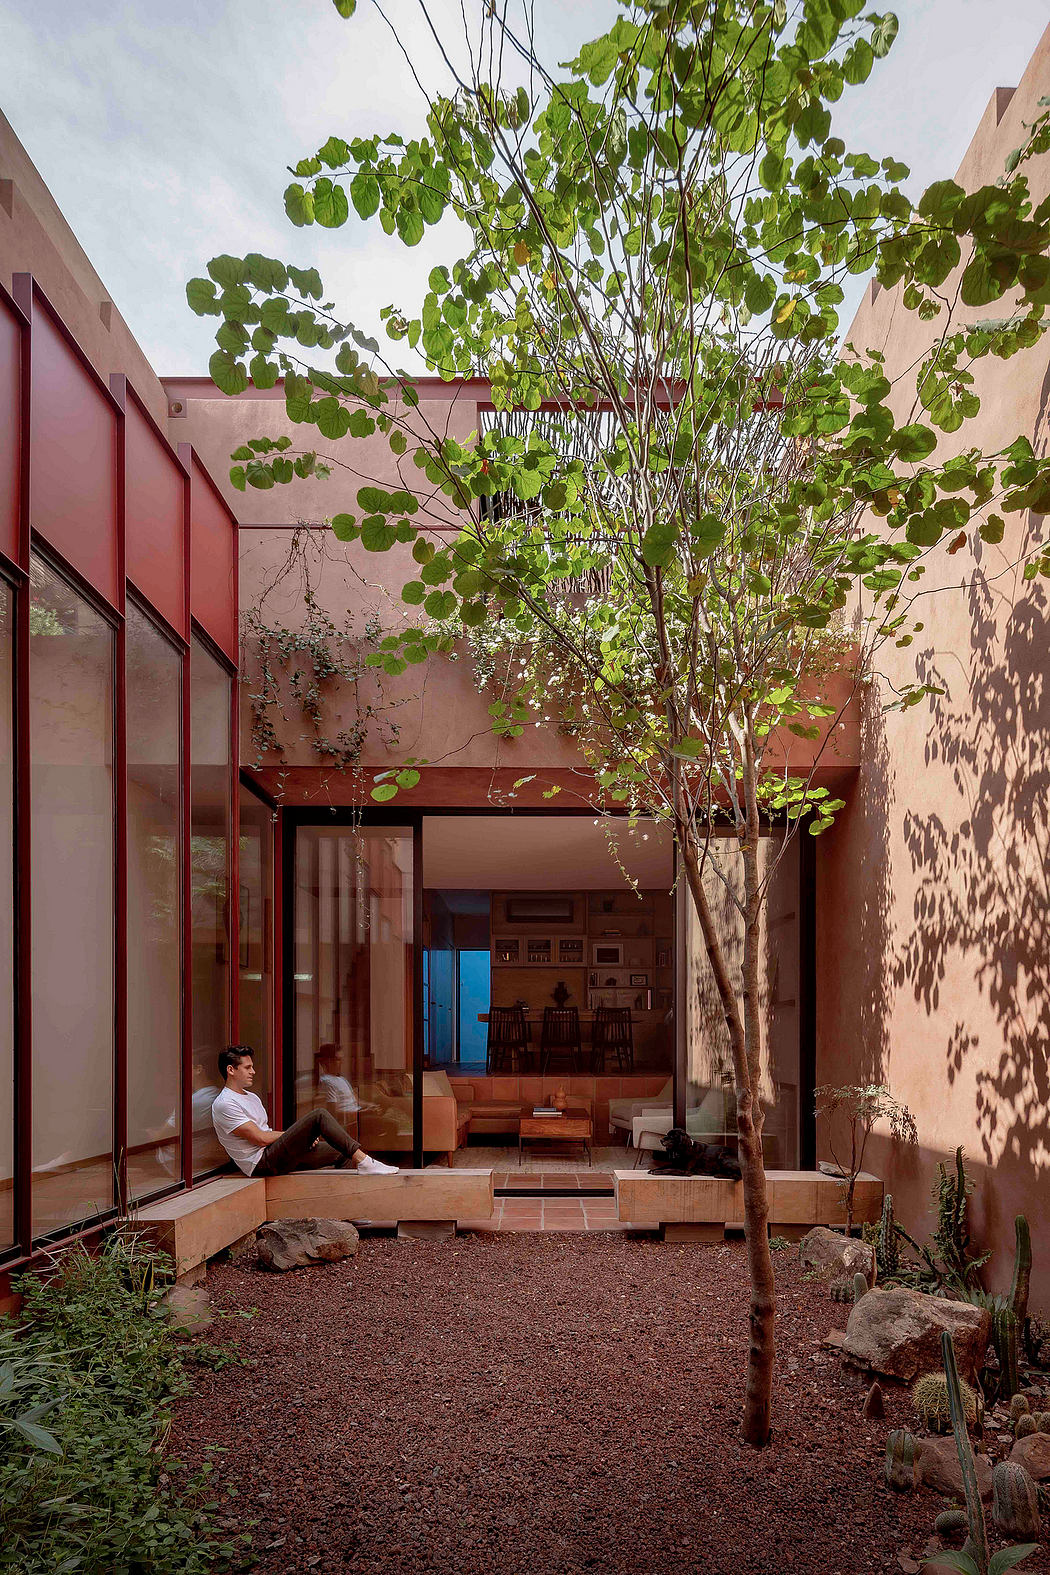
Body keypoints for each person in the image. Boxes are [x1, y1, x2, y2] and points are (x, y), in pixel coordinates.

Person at [211, 1046, 397, 1178]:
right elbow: (259, 1138)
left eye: (252, 1066)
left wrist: (300, 1138)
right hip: (260, 1163)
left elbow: (266, 1134)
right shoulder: (225, 1103)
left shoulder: (251, 1097)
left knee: (341, 1151)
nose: (253, 1071)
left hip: (274, 1153)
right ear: (231, 1070)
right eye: (247, 1067)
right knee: (319, 1115)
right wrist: (298, 1135)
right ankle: (366, 1162)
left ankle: (350, 1209)